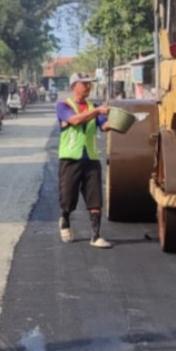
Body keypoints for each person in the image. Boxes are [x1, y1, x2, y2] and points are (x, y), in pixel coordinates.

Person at [56, 73, 111, 248]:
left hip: (91, 158)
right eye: (84, 84)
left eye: (90, 84)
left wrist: (123, 121)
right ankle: (65, 219)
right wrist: (96, 111)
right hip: (70, 158)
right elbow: (74, 120)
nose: (88, 87)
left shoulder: (92, 106)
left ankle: (95, 236)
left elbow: (104, 126)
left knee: (95, 198)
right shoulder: (64, 105)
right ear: (74, 86)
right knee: (68, 198)